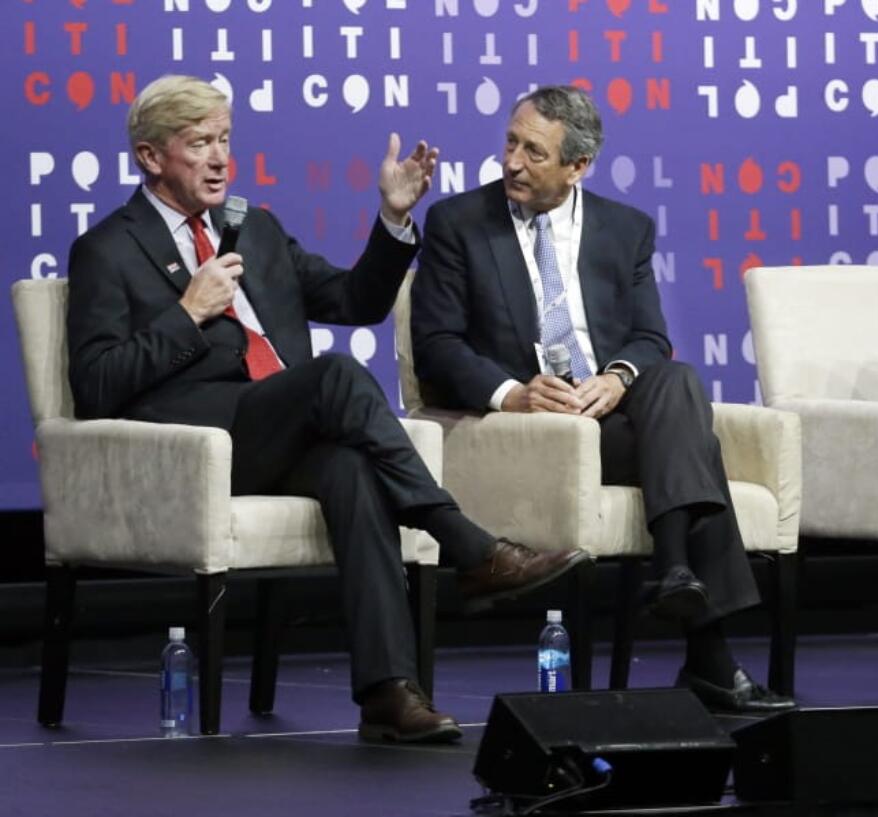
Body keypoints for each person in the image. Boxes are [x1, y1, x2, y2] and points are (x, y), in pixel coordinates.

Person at [66, 74, 589, 744]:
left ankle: (387, 693)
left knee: (349, 469)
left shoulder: (252, 228)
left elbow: (352, 302)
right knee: (334, 376)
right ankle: (468, 544)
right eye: (200, 144)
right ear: (150, 157)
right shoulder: (107, 249)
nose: (222, 157)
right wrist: (186, 314)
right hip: (193, 450)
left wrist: (394, 219)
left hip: (279, 427)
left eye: (226, 139)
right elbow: (96, 385)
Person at [410, 85, 793, 713]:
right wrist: (513, 395)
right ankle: (704, 641)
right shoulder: (459, 223)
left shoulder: (625, 229)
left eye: (534, 152)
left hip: (610, 423)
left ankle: (677, 577)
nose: (511, 162)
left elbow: (650, 338)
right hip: (531, 434)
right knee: (694, 442)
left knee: (674, 379)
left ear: (578, 166)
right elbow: (438, 346)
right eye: (510, 142)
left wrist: (615, 379)